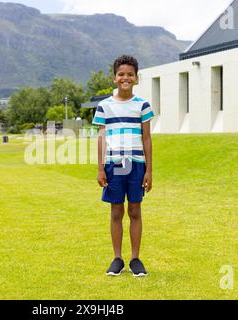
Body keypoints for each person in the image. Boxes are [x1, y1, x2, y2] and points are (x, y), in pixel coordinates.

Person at [93, 55, 154, 277]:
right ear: (114, 78)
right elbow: (101, 138)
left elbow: (147, 139)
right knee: (116, 210)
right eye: (121, 74)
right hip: (113, 165)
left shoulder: (142, 105)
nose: (125, 78)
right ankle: (117, 258)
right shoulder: (104, 106)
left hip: (136, 164)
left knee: (135, 209)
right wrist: (100, 168)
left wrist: (149, 170)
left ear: (136, 78)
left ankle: (135, 259)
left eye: (130, 74)